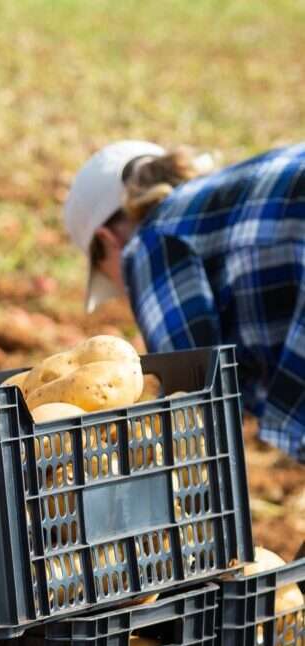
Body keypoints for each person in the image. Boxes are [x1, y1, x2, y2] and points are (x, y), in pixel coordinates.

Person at [65, 140, 305, 455]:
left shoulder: (151, 242)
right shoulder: (219, 200)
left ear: (107, 241)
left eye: (112, 279)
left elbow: (197, 407)